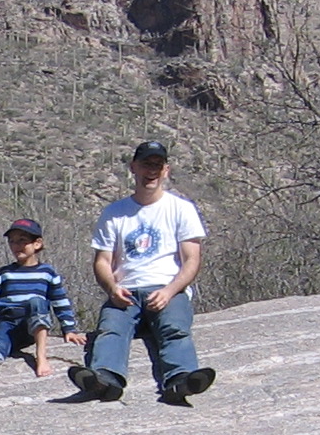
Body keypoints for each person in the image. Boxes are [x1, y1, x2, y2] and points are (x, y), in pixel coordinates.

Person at [67, 140, 218, 406]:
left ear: (166, 170)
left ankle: (181, 379)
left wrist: (170, 291)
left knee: (174, 330)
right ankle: (105, 379)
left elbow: (192, 259)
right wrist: (112, 289)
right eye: (146, 164)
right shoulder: (114, 214)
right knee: (110, 330)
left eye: (157, 165)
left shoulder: (181, 209)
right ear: (133, 168)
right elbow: (102, 261)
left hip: (167, 289)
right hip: (126, 291)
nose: (151, 171)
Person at [0, 219, 85, 397]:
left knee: (37, 302)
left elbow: (60, 301)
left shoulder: (47, 272)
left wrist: (69, 329)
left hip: (33, 322)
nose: (16, 246)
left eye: (22, 240)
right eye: (12, 241)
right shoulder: (4, 273)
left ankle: (41, 357)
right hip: (8, 322)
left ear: (37, 243)